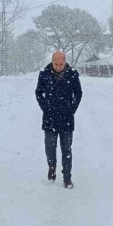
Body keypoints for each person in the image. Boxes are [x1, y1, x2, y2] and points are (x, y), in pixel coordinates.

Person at [35, 51, 83, 189]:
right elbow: (38, 92)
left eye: (61, 64)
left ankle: (67, 177)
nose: (58, 66)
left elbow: (78, 93)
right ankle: (52, 166)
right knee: (50, 147)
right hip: (49, 117)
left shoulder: (72, 74)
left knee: (66, 149)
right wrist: (45, 107)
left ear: (65, 62)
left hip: (66, 118)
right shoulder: (44, 73)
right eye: (56, 64)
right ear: (52, 61)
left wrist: (72, 108)